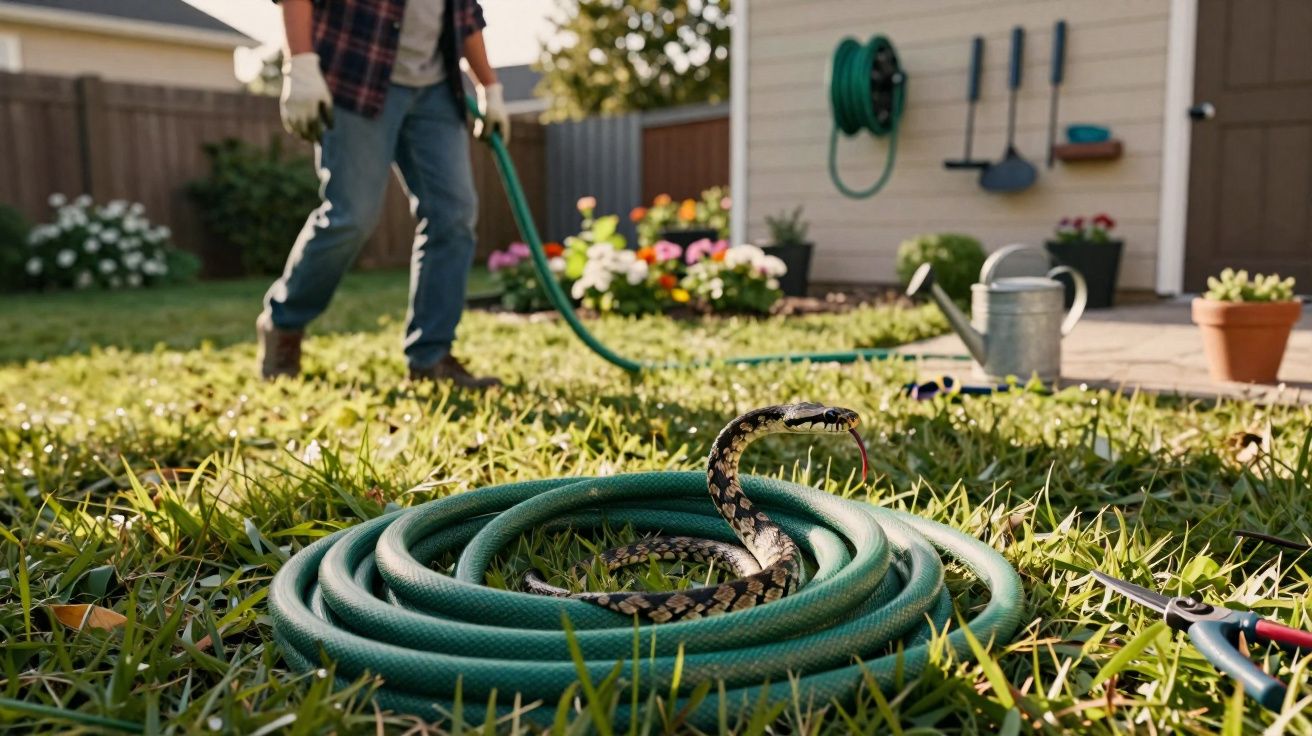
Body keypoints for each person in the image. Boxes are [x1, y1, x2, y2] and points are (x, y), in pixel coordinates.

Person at [257, 0, 508, 388]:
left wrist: (490, 86)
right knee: (351, 216)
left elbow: (466, 16)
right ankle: (284, 323)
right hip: (357, 74)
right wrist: (301, 64)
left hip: (437, 91)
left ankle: (431, 355)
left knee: (454, 217)